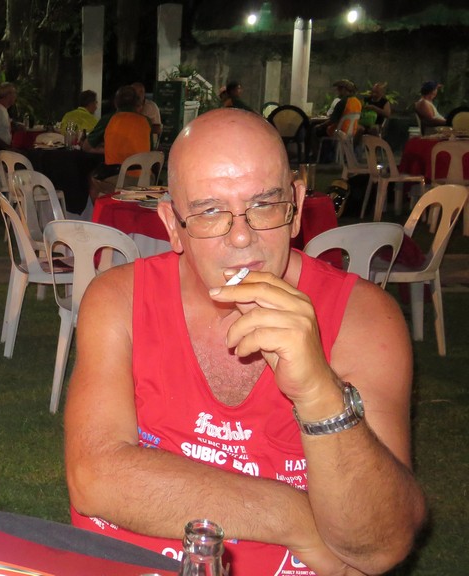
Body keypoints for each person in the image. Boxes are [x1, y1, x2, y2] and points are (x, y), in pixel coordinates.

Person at [65, 109, 425, 575]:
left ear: (296, 206)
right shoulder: (119, 299)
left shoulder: (364, 318)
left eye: (264, 205)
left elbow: (379, 545)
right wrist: (298, 520)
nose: (241, 236)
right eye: (210, 211)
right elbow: (95, 476)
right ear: (172, 225)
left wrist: (319, 393)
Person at [90, 85, 151, 192]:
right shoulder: (146, 121)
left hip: (119, 178)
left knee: (91, 179)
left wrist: (103, 149)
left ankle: (101, 204)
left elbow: (87, 146)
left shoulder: (109, 119)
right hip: (146, 178)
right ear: (137, 103)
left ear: (115, 103)